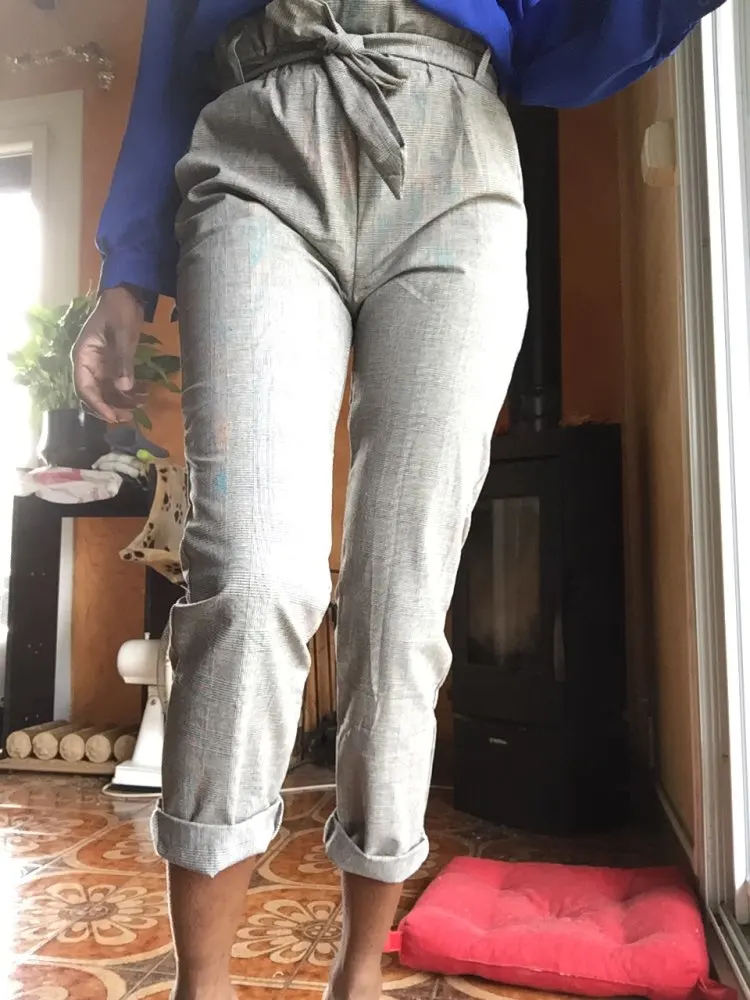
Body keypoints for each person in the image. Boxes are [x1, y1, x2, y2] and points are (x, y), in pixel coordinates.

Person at [73, 1, 724, 998]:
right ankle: (201, 987)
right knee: (249, 577)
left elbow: (562, 34)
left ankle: (360, 971)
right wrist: (127, 266)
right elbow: (171, 36)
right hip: (255, 141)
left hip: (455, 148)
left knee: (402, 602)